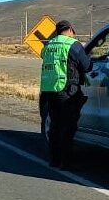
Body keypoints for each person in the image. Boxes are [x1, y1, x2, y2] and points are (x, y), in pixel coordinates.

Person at [39, 20, 91, 168]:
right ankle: (66, 161)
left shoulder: (48, 45)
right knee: (68, 125)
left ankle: (54, 160)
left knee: (54, 125)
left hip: (49, 89)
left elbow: (46, 58)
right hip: (67, 89)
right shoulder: (72, 44)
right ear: (69, 30)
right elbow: (86, 66)